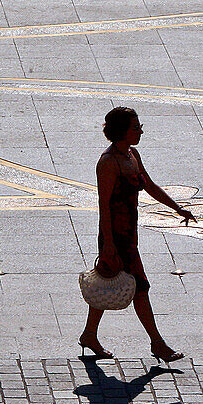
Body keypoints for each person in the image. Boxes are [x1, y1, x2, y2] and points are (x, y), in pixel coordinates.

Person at [79, 106, 197, 362]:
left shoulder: (132, 155)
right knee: (140, 287)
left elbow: (150, 186)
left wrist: (177, 208)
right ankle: (158, 343)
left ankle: (89, 335)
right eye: (135, 127)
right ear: (122, 131)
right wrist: (108, 245)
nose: (140, 130)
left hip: (129, 234)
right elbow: (104, 206)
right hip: (115, 237)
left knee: (108, 280)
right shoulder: (108, 163)